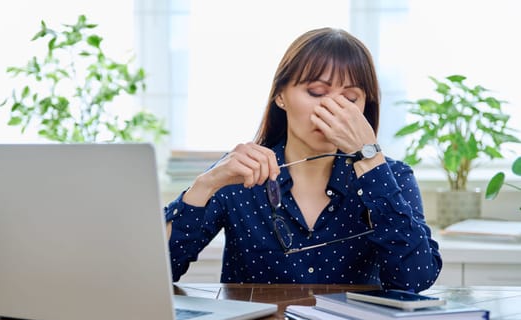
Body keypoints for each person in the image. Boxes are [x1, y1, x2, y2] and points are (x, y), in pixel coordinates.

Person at [164, 27, 442, 292]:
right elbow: (161, 270)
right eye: (316, 93)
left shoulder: (391, 176)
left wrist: (369, 157)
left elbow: (416, 279)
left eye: (350, 98)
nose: (332, 109)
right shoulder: (240, 172)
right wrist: (204, 184)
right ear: (280, 96)